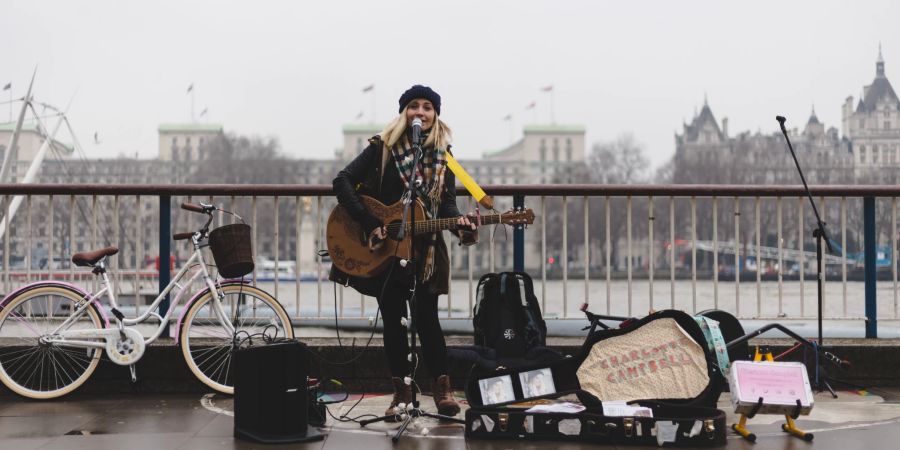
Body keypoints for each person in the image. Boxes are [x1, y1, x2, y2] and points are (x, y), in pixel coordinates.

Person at [331, 84, 478, 420]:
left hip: (426, 251)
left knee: (427, 319)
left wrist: (461, 225)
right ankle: (402, 393)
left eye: (428, 107)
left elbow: (448, 206)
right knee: (394, 321)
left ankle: (442, 391)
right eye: (414, 106)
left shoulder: (445, 156)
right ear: (404, 114)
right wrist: (371, 223)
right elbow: (341, 181)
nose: (421, 112)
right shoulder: (382, 149)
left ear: (435, 115)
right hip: (386, 251)